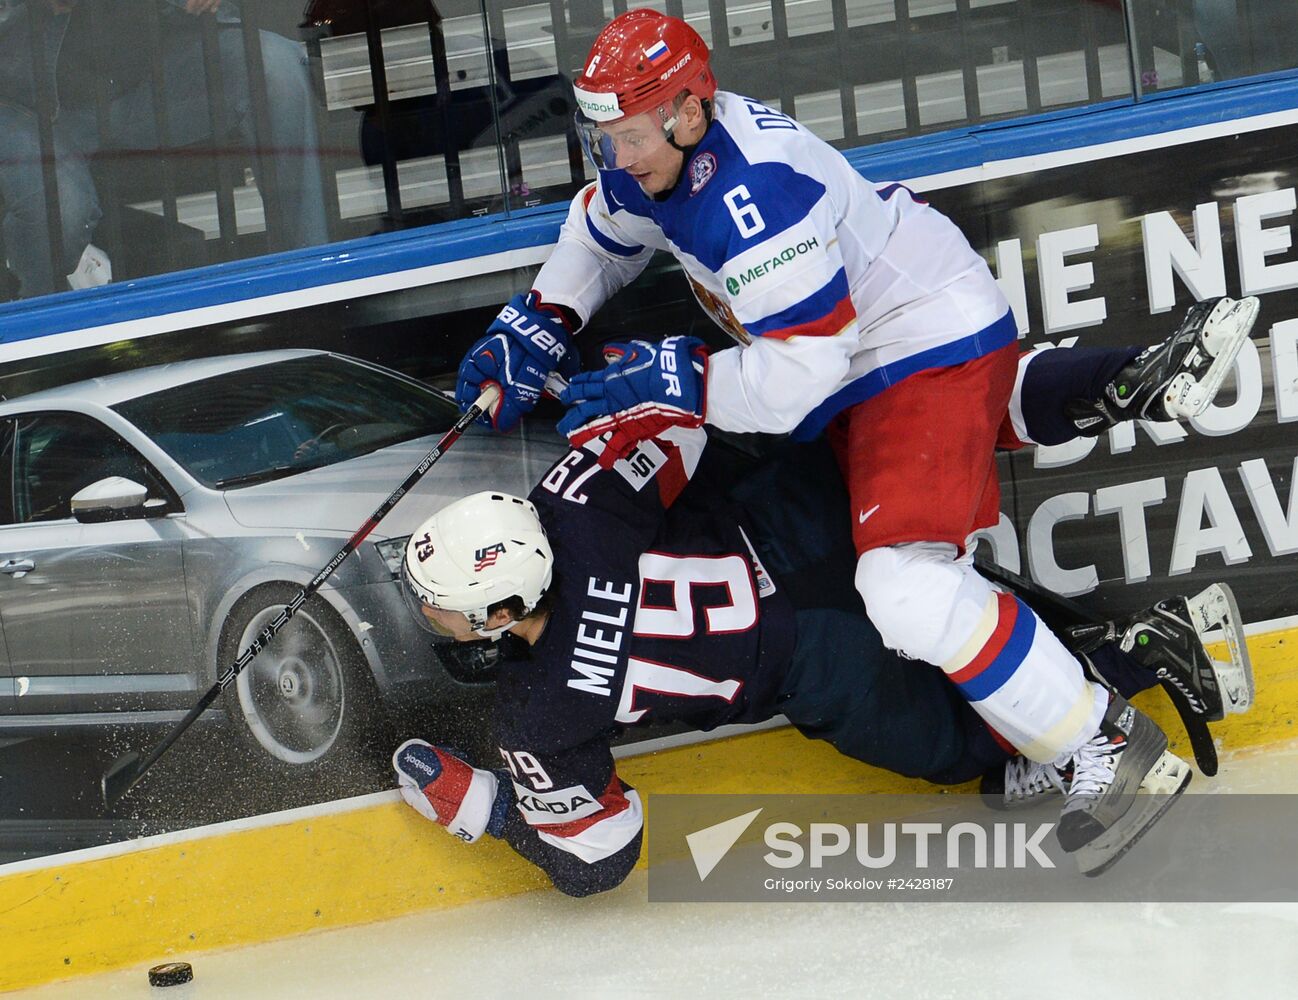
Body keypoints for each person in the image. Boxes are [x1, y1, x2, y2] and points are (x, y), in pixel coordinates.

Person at [452, 8, 1260, 862]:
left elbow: (799, 386)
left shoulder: (757, 199)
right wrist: (540, 318)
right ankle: (1116, 383)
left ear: (689, 113)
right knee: (946, 446)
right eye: (606, 136)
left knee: (905, 585)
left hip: (906, 342)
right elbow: (603, 228)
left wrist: (682, 382)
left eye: (630, 137)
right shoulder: (667, 158)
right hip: (887, 337)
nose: (618, 156)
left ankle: (1100, 741)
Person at [390, 386, 1253, 894]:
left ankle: (1145, 653)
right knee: (962, 620)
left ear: (501, 614)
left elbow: (600, 861)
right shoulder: (572, 498)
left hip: (813, 658)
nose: (433, 615)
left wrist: (489, 808)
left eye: (444, 605)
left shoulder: (537, 711)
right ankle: (1112, 663)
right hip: (802, 511)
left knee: (959, 754)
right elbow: (687, 428)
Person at [0, 0, 328, 298]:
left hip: (150, 81)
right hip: (32, 105)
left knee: (273, 67)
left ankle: (312, 282)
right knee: (62, 207)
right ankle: (38, 335)